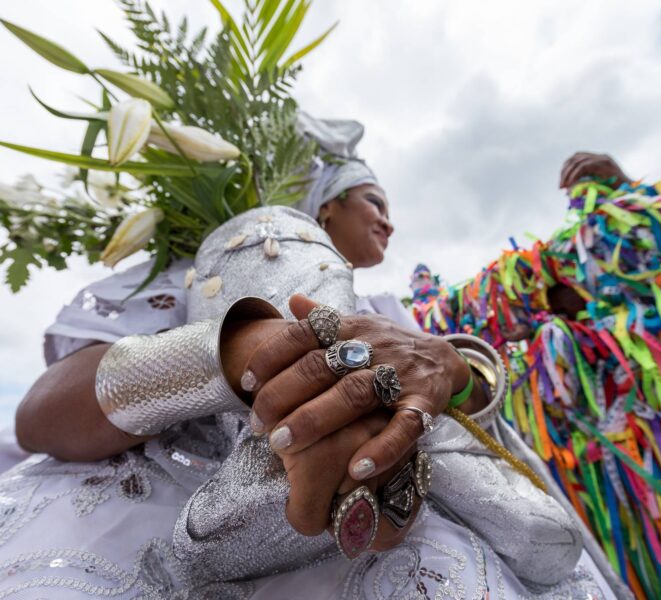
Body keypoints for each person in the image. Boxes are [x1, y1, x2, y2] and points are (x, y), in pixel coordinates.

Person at [0, 116, 623, 599]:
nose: (389, 222)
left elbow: (474, 387)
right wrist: (248, 349)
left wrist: (449, 369)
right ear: (324, 207)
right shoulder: (179, 279)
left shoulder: (387, 305)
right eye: (375, 201)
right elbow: (42, 415)